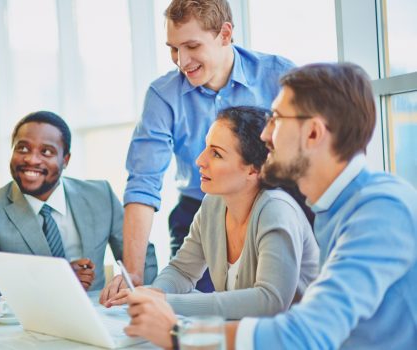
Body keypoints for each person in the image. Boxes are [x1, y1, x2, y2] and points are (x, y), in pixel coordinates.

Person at [123, 63, 417, 350]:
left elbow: (307, 333)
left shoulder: (380, 211)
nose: (265, 134)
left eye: (277, 118)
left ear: (313, 133)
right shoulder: (332, 209)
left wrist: (179, 334)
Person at [101, 0, 295, 299]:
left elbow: (312, 150)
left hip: (272, 204)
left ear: (225, 34)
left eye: (192, 46)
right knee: (193, 311)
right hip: (199, 212)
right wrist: (133, 274)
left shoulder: (278, 76)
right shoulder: (163, 95)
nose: (181, 60)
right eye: (173, 48)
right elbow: (143, 183)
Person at [102, 106, 319, 319]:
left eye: (216, 153)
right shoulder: (213, 204)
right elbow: (182, 271)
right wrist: (153, 295)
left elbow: (269, 301)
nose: (200, 160)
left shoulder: (277, 210)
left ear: (254, 169)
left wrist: (166, 302)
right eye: (206, 147)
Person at [0, 111, 157, 301]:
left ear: (65, 160)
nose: (32, 159)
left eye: (46, 152)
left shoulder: (100, 195)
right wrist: (58, 281)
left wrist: (136, 299)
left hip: (99, 314)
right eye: (23, 149)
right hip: (24, 322)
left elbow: (143, 256)